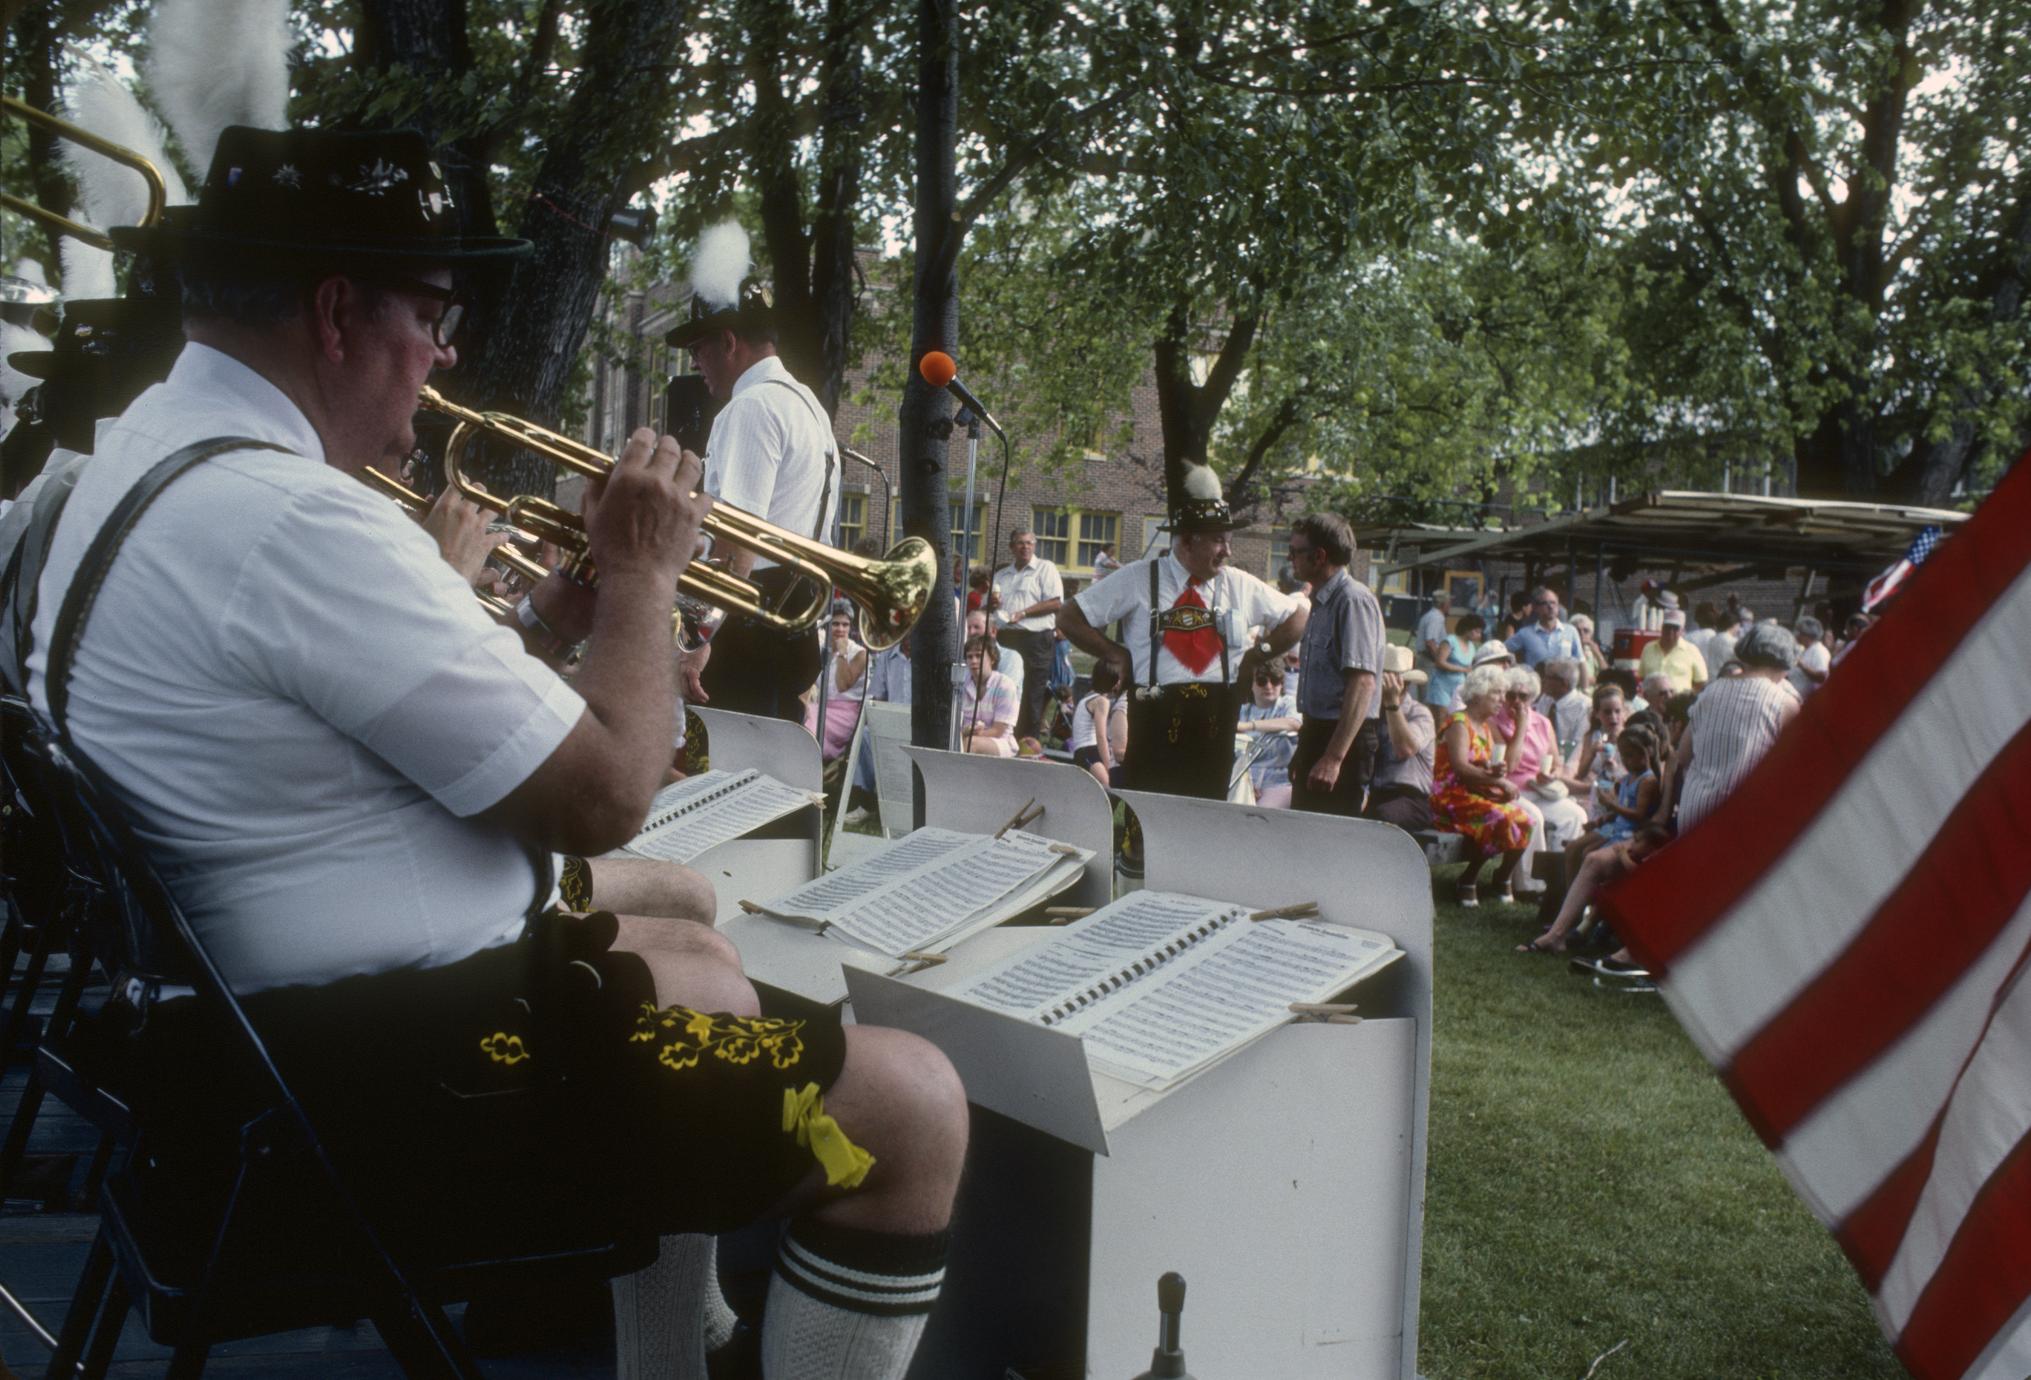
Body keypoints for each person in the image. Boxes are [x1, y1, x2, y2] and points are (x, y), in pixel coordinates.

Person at [30, 127, 964, 1380]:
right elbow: (606, 797)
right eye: (432, 312)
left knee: (701, 960)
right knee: (914, 1105)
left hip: (255, 1056)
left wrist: (558, 638)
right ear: (336, 314)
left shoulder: (139, 463)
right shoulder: (294, 520)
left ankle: (665, 1366)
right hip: (398, 1093)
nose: (449, 352)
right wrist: (640, 576)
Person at [668, 237, 838, 723]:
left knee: (720, 783)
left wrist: (701, 641)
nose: (694, 363)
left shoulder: (751, 406)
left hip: (747, 624)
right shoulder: (806, 404)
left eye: (698, 348)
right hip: (792, 616)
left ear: (728, 341)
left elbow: (737, 539)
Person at [1057, 469, 1306, 802]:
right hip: (1153, 716)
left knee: (1205, 816)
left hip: (1216, 720)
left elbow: (1298, 615)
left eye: (1228, 541)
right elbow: (1069, 616)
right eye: (1219, 541)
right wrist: (1114, 653)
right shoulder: (1139, 578)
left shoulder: (1238, 584)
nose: (1227, 552)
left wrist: (1256, 653)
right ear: (1188, 540)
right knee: (1146, 810)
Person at [1284, 512, 1384, 816]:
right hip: (1317, 732)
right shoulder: (1321, 601)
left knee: (1333, 842)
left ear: (1319, 556)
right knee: (1305, 836)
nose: (1290, 559)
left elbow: (1362, 683)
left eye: (1295, 552)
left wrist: (1333, 758)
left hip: (1343, 740)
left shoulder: (1352, 601)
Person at [1676, 621, 1801, 831]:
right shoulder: (1784, 703)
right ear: (1784, 665)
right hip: (1741, 821)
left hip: (1693, 814)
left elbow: (1683, 754)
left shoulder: (1711, 691)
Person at [1430, 663, 1532, 906]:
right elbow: (1460, 768)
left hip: (1473, 792)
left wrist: (1494, 771)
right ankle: (1468, 879)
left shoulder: (1484, 727)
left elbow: (1479, 766)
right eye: (1496, 693)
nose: (1502, 699)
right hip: (1450, 796)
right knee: (1499, 818)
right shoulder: (1459, 722)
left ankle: (1502, 877)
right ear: (1478, 693)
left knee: (1526, 820)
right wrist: (1499, 782)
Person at [1493, 664, 1592, 889]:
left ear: (1532, 697)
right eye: (1510, 695)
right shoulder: (1495, 721)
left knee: (1575, 814)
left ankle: (1561, 877)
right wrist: (1521, 727)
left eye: (1523, 696)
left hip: (1539, 788)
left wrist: (1552, 774)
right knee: (1534, 817)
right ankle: (1530, 885)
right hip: (1508, 788)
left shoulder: (1543, 723)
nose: (1516, 701)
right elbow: (1508, 765)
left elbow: (1556, 763)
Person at [1516, 824, 1672, 955]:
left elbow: (1638, 874)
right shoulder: (1641, 852)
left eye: (1637, 841)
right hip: (1615, 888)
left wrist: (1623, 855)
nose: (1631, 845)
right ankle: (1561, 934)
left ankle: (1576, 932)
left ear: (1651, 848)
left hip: (1642, 892)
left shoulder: (1652, 859)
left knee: (1604, 892)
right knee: (1591, 859)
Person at [989, 528, 1064, 737]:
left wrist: (1023, 613)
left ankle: (1027, 744)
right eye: (1020, 543)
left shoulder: (1045, 569)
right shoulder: (1002, 575)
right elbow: (988, 608)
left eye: (1030, 543)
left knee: (1032, 693)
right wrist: (992, 604)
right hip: (1005, 639)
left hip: (1035, 639)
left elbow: (1056, 603)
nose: (1025, 547)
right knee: (1003, 689)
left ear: (1035, 545)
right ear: (1012, 547)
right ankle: (1003, 738)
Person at [1365, 644, 1435, 831]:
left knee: (1381, 817)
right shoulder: (1372, 712)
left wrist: (1392, 704)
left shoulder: (1420, 713)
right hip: (1375, 794)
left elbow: (1404, 749)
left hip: (1411, 799)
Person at [1235, 659, 1302, 808]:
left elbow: (1294, 723)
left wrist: (1249, 726)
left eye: (1275, 680)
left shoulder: (1288, 704)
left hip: (1279, 782)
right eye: (1261, 681)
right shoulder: (1242, 711)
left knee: (1259, 816)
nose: (1269, 686)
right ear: (1251, 684)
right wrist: (1247, 784)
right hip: (1245, 780)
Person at [809, 605, 867, 761]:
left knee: (809, 724)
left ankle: (812, 762)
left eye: (845, 624)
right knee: (801, 712)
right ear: (827, 625)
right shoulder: (822, 649)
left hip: (846, 714)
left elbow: (842, 686)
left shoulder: (860, 653)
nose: (840, 629)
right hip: (821, 707)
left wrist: (842, 653)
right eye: (835, 624)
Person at [958, 632, 1018, 756]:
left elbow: (998, 731)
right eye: (969, 657)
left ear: (992, 658)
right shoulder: (961, 684)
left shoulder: (1005, 685)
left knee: (970, 743)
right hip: (965, 738)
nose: (973, 661)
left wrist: (966, 734)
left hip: (1001, 742)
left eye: (979, 656)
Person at [1069, 662, 1121, 786]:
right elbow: (1101, 736)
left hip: (1081, 751)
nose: (1120, 681)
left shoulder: (1087, 697)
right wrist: (1109, 767)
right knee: (1108, 785)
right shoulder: (1102, 701)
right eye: (1118, 678)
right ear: (1112, 680)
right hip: (1088, 750)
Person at [1506, 585, 1584, 669]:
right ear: (1536, 608)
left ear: (1558, 607)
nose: (1550, 607)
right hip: (1535, 680)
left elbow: (1581, 662)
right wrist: (1516, 668)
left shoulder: (1571, 631)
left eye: (1553, 603)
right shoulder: (1525, 633)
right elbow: (1503, 650)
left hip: (1564, 681)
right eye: (1545, 603)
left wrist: (1584, 682)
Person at [1638, 608, 1709, 694]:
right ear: (1662, 627)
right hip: (1652, 703)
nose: (1670, 632)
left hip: (1679, 704)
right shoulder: (1648, 648)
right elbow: (1642, 677)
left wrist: (1686, 698)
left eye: (1675, 628)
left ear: (1682, 631)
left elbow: (1701, 682)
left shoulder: (1692, 650)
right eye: (1667, 627)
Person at [1536, 657, 1591, 762]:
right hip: (1540, 757)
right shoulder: (1546, 699)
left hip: (1567, 760)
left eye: (1548, 677)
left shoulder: (1584, 707)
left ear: (1564, 683)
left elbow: (1578, 744)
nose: (1543, 681)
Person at [1788, 614, 1831, 697]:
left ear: (1807, 635)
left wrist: (1802, 665)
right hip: (1793, 694)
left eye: (1799, 632)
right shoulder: (1804, 648)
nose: (1797, 635)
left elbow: (1822, 677)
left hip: (1804, 699)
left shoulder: (1820, 652)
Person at [1569, 611, 1607, 688]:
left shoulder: (1591, 651)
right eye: (1577, 630)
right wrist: (1598, 680)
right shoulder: (1567, 650)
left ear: (1591, 634)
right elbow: (1570, 680)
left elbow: (1606, 673)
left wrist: (1598, 653)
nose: (1582, 634)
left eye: (1586, 631)